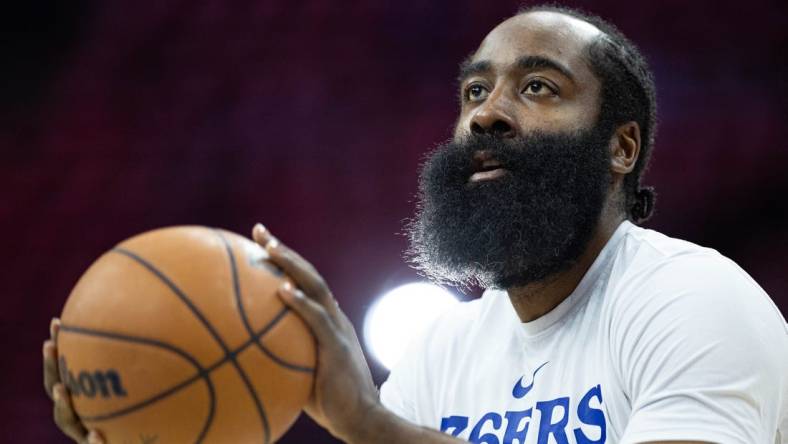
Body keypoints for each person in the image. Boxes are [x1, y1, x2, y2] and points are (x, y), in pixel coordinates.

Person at [44, 5, 788, 444]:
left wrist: (370, 427)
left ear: (621, 147)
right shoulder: (442, 351)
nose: (487, 112)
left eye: (538, 87)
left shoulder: (690, 301)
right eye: (474, 89)